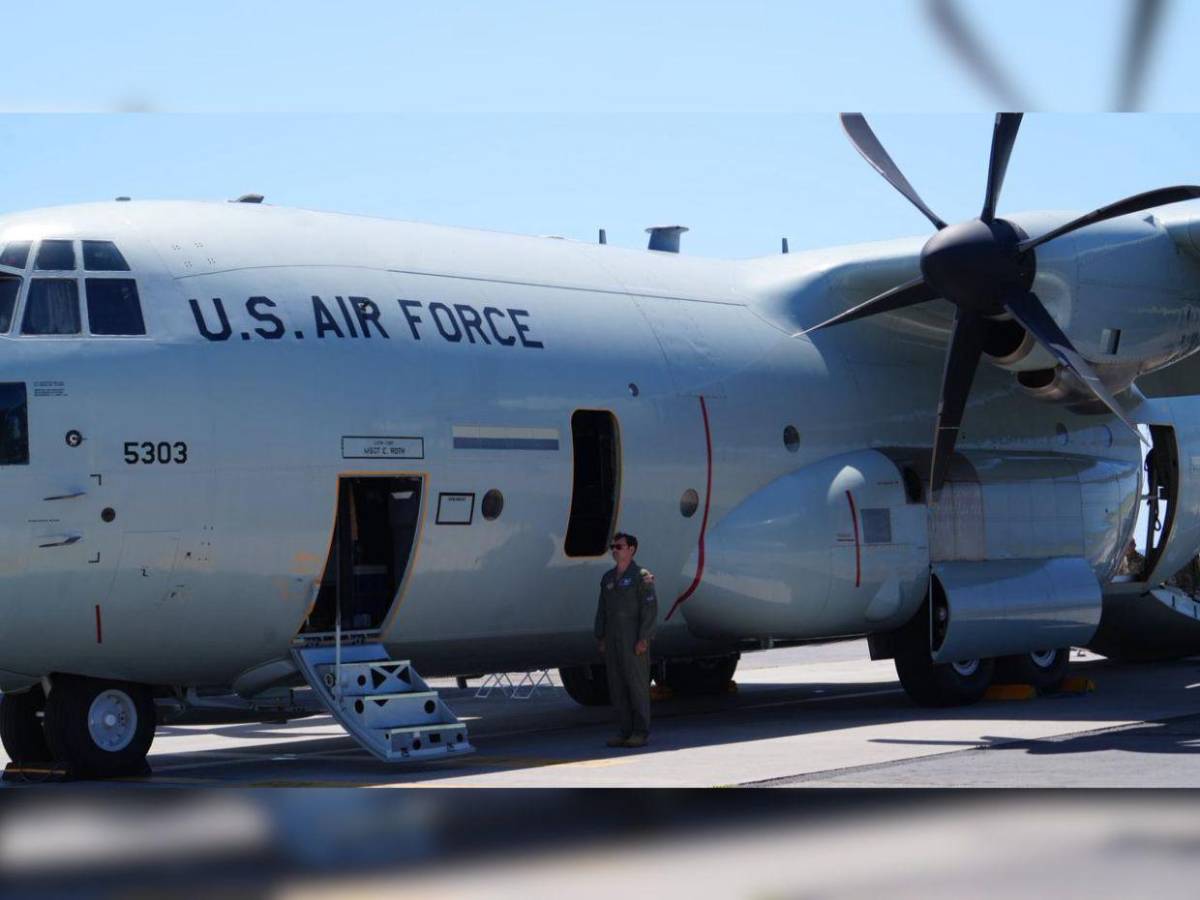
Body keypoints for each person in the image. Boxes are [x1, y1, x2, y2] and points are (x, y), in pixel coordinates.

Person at [594, 532, 657, 748]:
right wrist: (600, 635)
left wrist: (644, 638)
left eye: (619, 546)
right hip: (613, 640)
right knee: (617, 686)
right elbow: (602, 609)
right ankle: (625, 730)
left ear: (631, 549)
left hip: (633, 639)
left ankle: (640, 731)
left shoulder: (642, 577)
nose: (614, 550)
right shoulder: (608, 579)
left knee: (637, 686)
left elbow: (649, 609)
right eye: (613, 546)